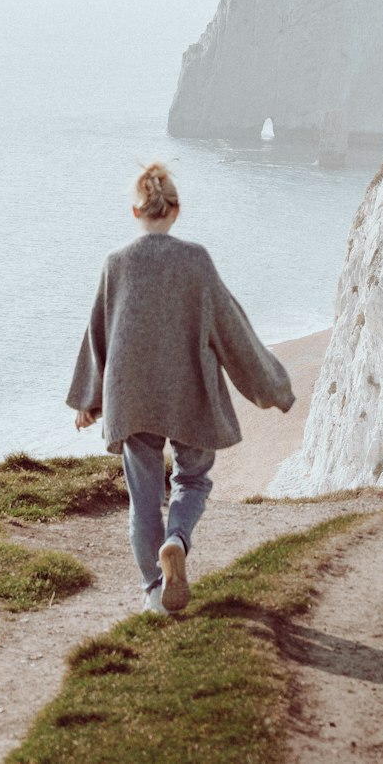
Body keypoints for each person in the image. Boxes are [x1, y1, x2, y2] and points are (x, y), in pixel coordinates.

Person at [66, 162, 295, 613]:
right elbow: (232, 330)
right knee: (192, 478)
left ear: (136, 212)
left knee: (144, 498)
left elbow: (99, 332)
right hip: (188, 390)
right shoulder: (195, 260)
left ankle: (154, 590)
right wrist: (271, 387)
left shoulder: (116, 263)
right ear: (176, 210)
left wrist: (89, 400)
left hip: (130, 395)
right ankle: (177, 540)